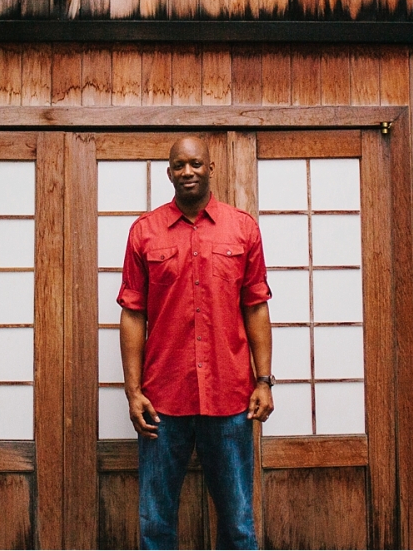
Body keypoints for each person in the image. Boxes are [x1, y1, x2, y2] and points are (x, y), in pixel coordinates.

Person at [118, 136, 275, 550]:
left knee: (238, 523)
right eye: (179, 165)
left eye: (196, 163)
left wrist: (263, 381)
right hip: (162, 401)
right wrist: (133, 392)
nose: (188, 172)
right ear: (169, 172)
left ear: (210, 168)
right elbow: (133, 313)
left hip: (230, 398)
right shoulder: (144, 232)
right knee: (156, 525)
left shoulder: (242, 228)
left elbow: (256, 306)